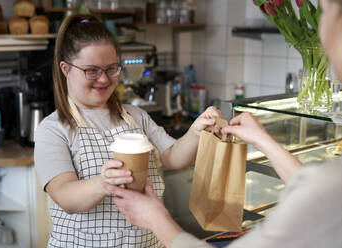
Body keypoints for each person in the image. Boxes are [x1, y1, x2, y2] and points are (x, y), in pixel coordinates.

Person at [104, 0, 342, 247]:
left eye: (325, 11)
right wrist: (262, 139)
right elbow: (310, 187)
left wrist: (156, 219)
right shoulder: (330, 185)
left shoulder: (331, 185)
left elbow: (318, 192)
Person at [34, 13, 223, 247]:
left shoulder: (135, 116)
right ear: (65, 69)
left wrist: (197, 132)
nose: (104, 79)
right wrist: (104, 182)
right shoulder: (53, 130)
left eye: (111, 68)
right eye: (92, 70)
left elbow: (174, 158)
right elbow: (66, 197)